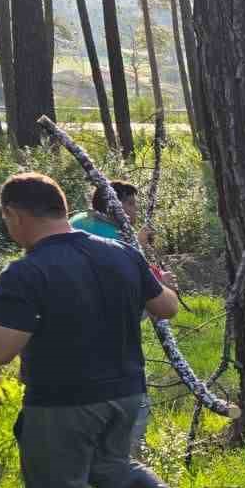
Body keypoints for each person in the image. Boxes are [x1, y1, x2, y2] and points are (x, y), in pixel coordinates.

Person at [0, 172, 215, 488]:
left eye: (7, 220)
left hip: (63, 402)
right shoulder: (122, 253)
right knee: (112, 467)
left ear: (15, 215)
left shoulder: (26, 272)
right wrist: (167, 283)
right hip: (127, 393)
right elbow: (166, 306)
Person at [70, 179, 174, 455]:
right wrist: (162, 284)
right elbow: (124, 273)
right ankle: (129, 454)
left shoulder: (78, 221)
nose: (135, 210)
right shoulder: (111, 237)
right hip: (109, 327)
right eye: (131, 203)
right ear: (118, 204)